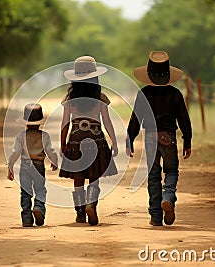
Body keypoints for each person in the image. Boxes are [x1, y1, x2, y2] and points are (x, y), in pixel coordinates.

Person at [126, 51, 192, 226]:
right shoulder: (175, 94)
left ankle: (156, 216)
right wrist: (187, 141)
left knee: (153, 175)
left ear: (149, 74)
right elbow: (184, 119)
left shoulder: (144, 94)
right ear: (168, 74)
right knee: (171, 171)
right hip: (168, 137)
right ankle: (168, 197)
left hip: (150, 138)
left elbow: (135, 119)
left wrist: (129, 140)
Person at [59, 56, 118, 226]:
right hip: (96, 138)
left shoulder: (69, 98)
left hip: (76, 139)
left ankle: (80, 212)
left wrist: (63, 143)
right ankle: (91, 204)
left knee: (78, 177)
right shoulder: (100, 97)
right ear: (95, 77)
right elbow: (107, 121)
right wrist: (113, 141)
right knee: (94, 175)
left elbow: (65, 123)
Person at [7, 103, 58, 227]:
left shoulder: (21, 136)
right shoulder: (44, 136)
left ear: (25, 122)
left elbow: (15, 153)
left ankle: (27, 218)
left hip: (24, 166)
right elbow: (50, 151)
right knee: (40, 189)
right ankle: (39, 208)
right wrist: (54, 161)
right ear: (40, 122)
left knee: (25, 192)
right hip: (39, 166)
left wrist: (10, 167)